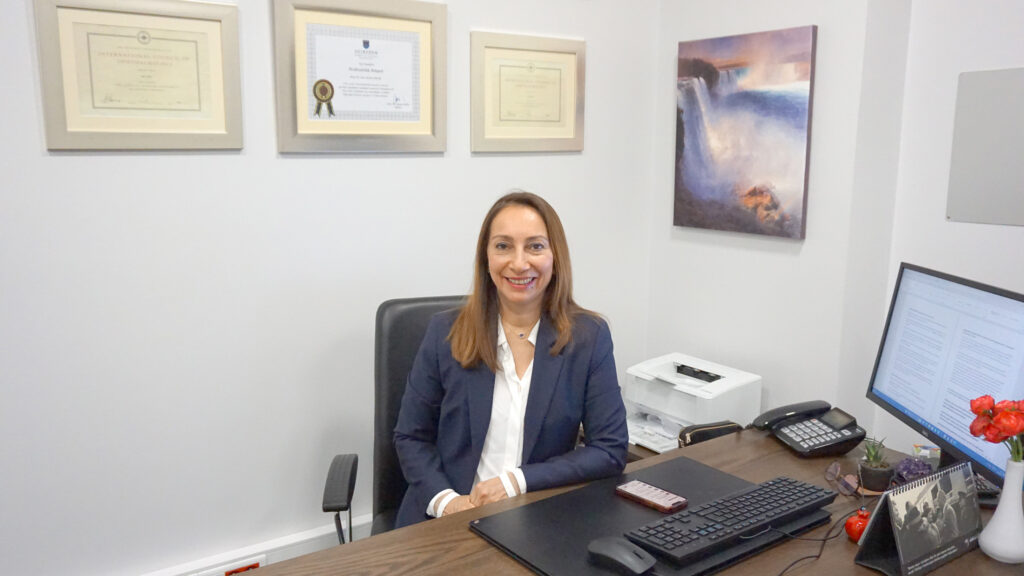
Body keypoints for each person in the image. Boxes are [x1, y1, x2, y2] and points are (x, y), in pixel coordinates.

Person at [393, 190, 629, 528]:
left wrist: (517, 481)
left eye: (535, 246)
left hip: (537, 519)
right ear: (486, 257)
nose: (519, 263)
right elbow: (411, 437)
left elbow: (609, 449)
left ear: (555, 256)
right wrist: (449, 504)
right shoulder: (445, 332)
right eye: (503, 246)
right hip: (446, 517)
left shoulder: (588, 337)